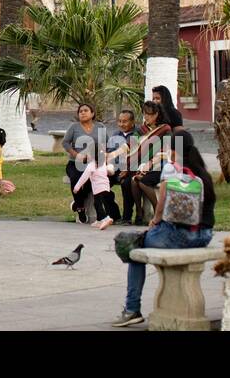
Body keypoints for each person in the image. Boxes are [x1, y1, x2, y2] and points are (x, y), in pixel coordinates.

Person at [114, 130, 216, 327]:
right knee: (144, 242)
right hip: (204, 235)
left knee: (135, 249)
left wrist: (155, 220)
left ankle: (132, 309)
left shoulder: (171, 169)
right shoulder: (202, 172)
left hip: (180, 235)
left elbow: (162, 202)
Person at [62, 103, 109, 223]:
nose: (82, 113)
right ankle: (80, 208)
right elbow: (65, 143)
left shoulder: (100, 127)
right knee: (76, 179)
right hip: (75, 163)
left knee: (91, 180)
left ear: (92, 113)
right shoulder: (74, 127)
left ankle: (77, 203)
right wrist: (77, 155)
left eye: (85, 110)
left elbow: (106, 143)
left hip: (95, 163)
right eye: (80, 111)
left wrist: (101, 154)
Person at [107, 109, 141, 224]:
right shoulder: (115, 134)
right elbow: (110, 152)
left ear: (132, 122)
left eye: (125, 121)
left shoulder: (138, 133)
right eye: (120, 121)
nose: (121, 124)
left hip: (132, 168)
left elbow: (139, 155)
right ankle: (114, 215)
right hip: (116, 168)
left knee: (126, 183)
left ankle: (127, 217)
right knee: (102, 182)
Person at [72, 157, 120, 229]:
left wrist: (76, 188)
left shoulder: (91, 165)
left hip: (98, 188)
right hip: (106, 186)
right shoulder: (102, 163)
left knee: (98, 204)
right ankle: (98, 221)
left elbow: (84, 177)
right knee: (98, 203)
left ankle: (106, 218)